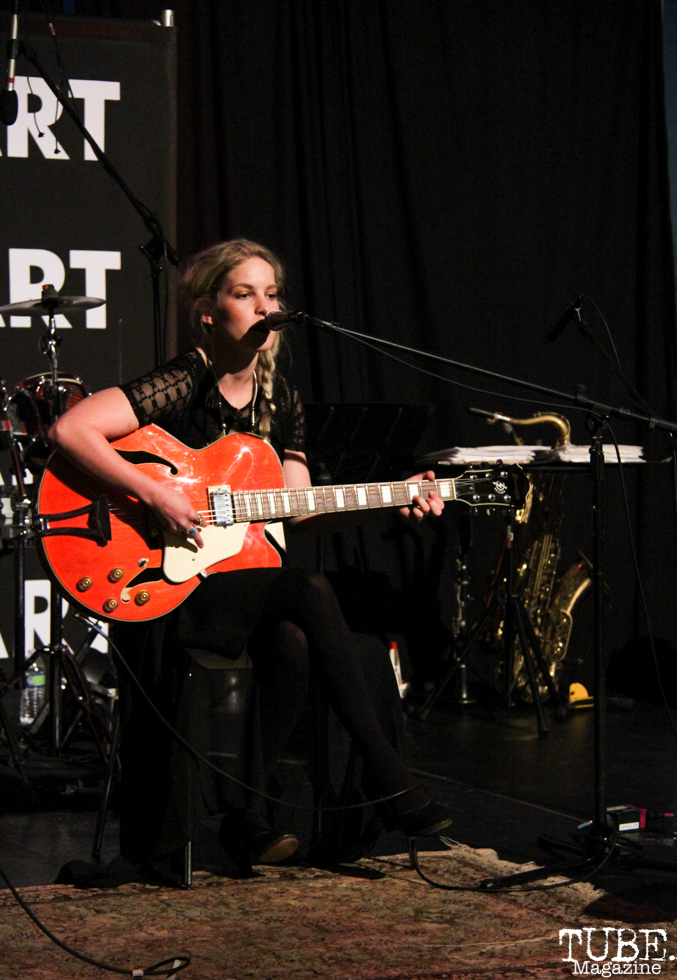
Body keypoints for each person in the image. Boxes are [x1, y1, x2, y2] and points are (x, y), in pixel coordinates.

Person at [48, 238, 452, 876]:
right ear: (209, 311)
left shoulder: (279, 398)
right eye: (245, 294)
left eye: (272, 293)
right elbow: (69, 430)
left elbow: (298, 509)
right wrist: (154, 493)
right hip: (164, 583)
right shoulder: (185, 380)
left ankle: (249, 816)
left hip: (233, 584)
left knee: (294, 637)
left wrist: (393, 499)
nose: (265, 307)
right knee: (308, 589)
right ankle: (389, 775)